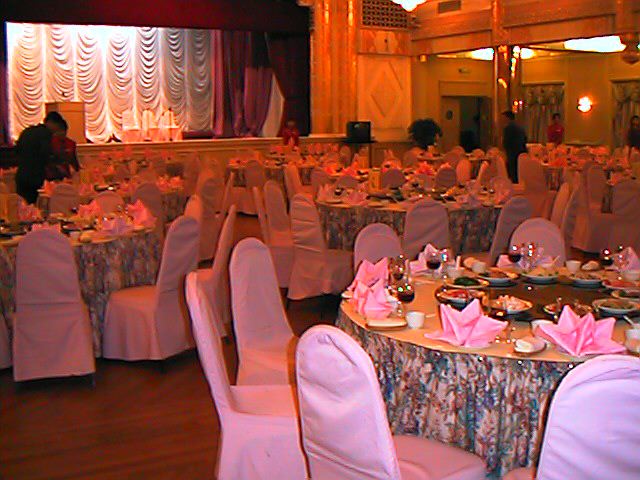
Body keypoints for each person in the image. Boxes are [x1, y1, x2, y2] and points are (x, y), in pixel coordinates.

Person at [15, 111, 67, 204]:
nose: (57, 130)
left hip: (21, 175)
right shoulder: (45, 134)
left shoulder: (27, 131)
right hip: (35, 177)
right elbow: (46, 154)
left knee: (23, 206)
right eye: (57, 126)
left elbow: (17, 150)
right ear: (51, 123)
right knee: (35, 207)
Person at [502, 110, 527, 183]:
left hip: (512, 153)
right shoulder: (520, 127)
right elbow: (525, 139)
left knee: (513, 173)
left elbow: (506, 142)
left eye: (503, 118)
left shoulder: (508, 128)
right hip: (521, 152)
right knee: (519, 173)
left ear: (507, 118)